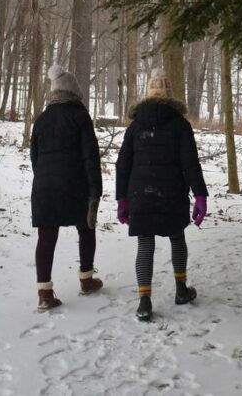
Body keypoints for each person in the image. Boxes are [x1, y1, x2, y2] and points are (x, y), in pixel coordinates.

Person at [116, 68, 209, 322]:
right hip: (172, 192)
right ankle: (181, 290)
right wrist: (200, 195)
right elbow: (191, 164)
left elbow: (122, 164)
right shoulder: (180, 124)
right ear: (170, 95)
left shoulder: (135, 127)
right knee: (177, 237)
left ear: (147, 95)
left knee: (145, 243)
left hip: (140, 193)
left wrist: (122, 199)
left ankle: (144, 301)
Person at [30, 65, 103, 312]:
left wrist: (43, 180)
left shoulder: (41, 119)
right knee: (86, 228)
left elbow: (34, 157)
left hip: (44, 187)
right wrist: (95, 192)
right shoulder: (80, 117)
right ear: (74, 91)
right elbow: (91, 157)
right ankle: (86, 279)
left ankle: (44, 294)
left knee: (46, 238)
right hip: (75, 185)